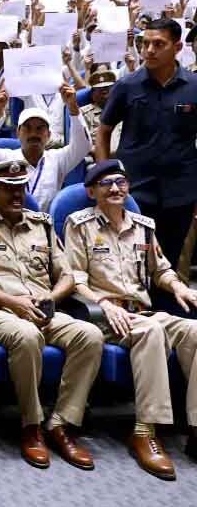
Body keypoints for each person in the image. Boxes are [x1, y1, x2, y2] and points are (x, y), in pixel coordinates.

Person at [0, 159, 103, 470]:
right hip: (2, 311)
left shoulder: (42, 224)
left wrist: (52, 296)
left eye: (21, 188)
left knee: (91, 335)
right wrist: (13, 302)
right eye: (9, 188)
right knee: (28, 336)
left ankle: (61, 423)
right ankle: (31, 426)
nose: (17, 194)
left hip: (45, 309)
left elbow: (67, 275)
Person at [64, 159, 197, 480]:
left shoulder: (143, 226)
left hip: (141, 313)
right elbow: (74, 278)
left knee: (194, 330)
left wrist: (180, 286)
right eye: (106, 183)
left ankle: (195, 428)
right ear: (91, 191)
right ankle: (144, 430)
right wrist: (102, 303)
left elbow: (161, 269)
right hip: (104, 317)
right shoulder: (80, 225)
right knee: (151, 330)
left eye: (121, 182)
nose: (115, 188)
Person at [97, 18, 197, 272]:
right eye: (145, 43)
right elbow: (104, 130)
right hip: (136, 189)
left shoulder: (194, 86)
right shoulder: (127, 86)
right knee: (134, 261)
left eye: (158, 44)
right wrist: (104, 175)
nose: (149, 50)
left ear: (177, 47)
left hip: (180, 191)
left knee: (168, 260)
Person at [0, 81, 90, 210]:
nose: (34, 134)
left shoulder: (57, 159)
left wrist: (73, 108)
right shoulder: (6, 158)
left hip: (44, 221)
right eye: (28, 128)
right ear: (18, 133)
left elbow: (83, 146)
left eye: (40, 129)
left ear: (49, 135)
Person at [79, 69, 119, 152]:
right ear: (92, 94)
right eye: (100, 89)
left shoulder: (124, 109)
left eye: (107, 88)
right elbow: (81, 145)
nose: (104, 91)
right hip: (99, 156)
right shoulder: (83, 113)